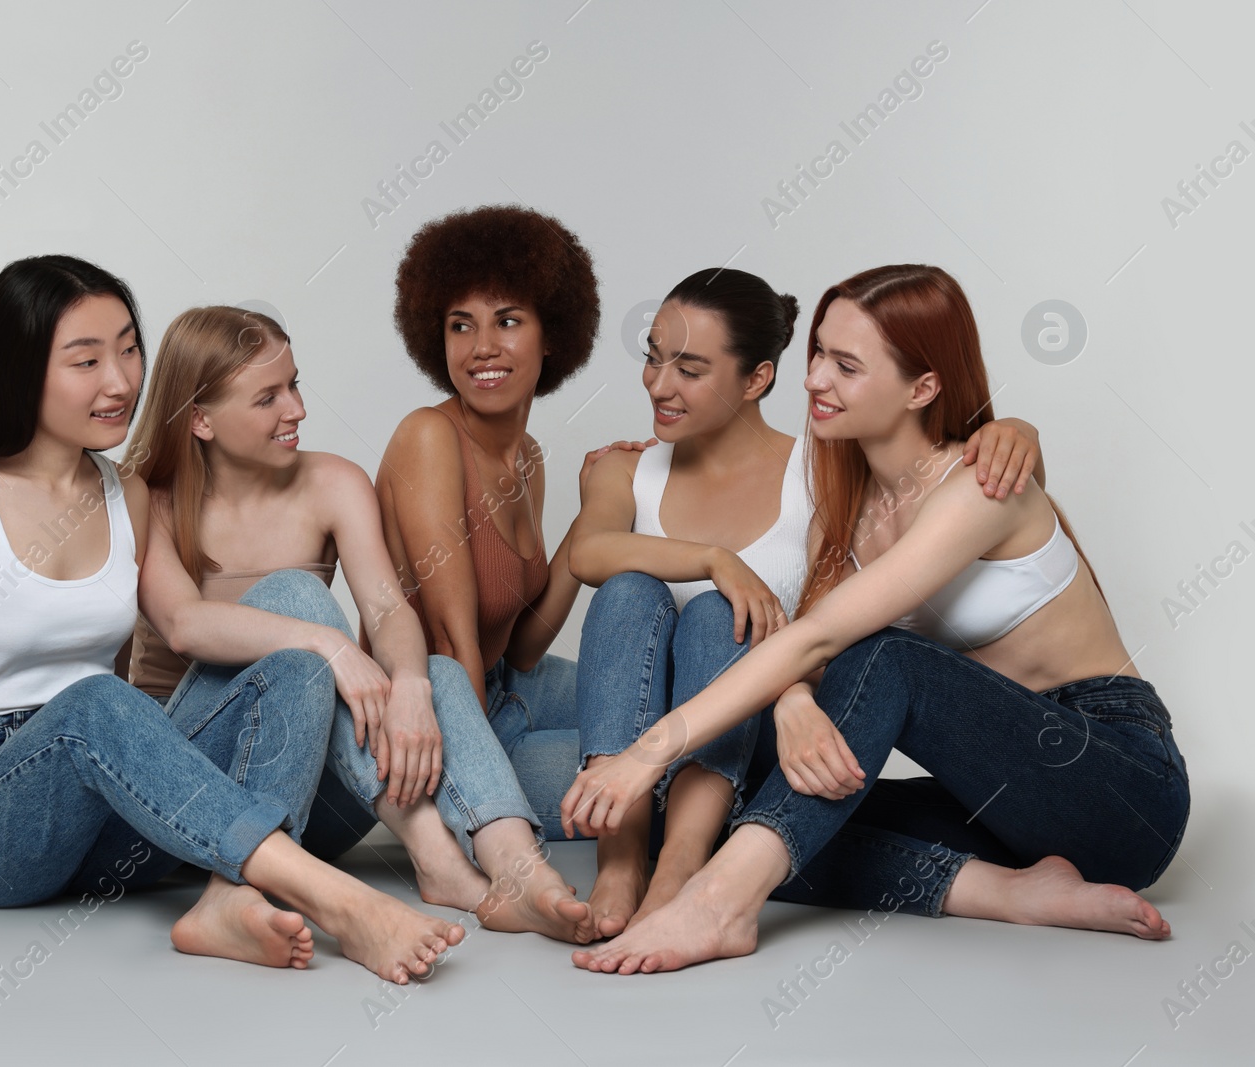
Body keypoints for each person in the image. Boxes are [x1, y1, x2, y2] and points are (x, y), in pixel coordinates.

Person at [0, 256, 463, 985]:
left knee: (293, 669)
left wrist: (326, 641)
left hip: (109, 814)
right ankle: (337, 898)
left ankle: (231, 903)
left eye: (129, 350)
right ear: (22, 369)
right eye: (86, 360)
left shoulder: (125, 493)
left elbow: (188, 623)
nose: (121, 381)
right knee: (98, 703)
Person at [564, 263, 1189, 972]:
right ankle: (1005, 893)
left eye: (847, 366)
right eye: (819, 354)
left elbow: (826, 637)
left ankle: (721, 906)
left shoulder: (980, 486)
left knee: (885, 656)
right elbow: (805, 644)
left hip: (1116, 787)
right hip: (993, 807)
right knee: (736, 809)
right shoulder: (843, 511)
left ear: (922, 387)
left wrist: (647, 753)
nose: (816, 380)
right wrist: (795, 698)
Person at [124, 304, 594, 942]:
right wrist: (330, 645)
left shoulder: (332, 482)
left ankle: (517, 866)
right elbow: (183, 625)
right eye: (268, 398)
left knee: (432, 668)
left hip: (310, 799)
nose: (296, 410)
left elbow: (387, 608)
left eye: (294, 384)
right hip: (196, 788)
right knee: (295, 595)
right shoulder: (142, 499)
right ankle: (438, 859)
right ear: (201, 419)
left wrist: (409, 687)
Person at [376, 204, 644, 839]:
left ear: (552, 334)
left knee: (681, 726)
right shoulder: (428, 437)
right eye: (460, 325)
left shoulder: (526, 457)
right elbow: (451, 643)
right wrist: (481, 794)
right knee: (657, 789)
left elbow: (521, 647)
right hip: (445, 721)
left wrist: (595, 509)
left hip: (510, 690)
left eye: (508, 321)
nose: (483, 348)